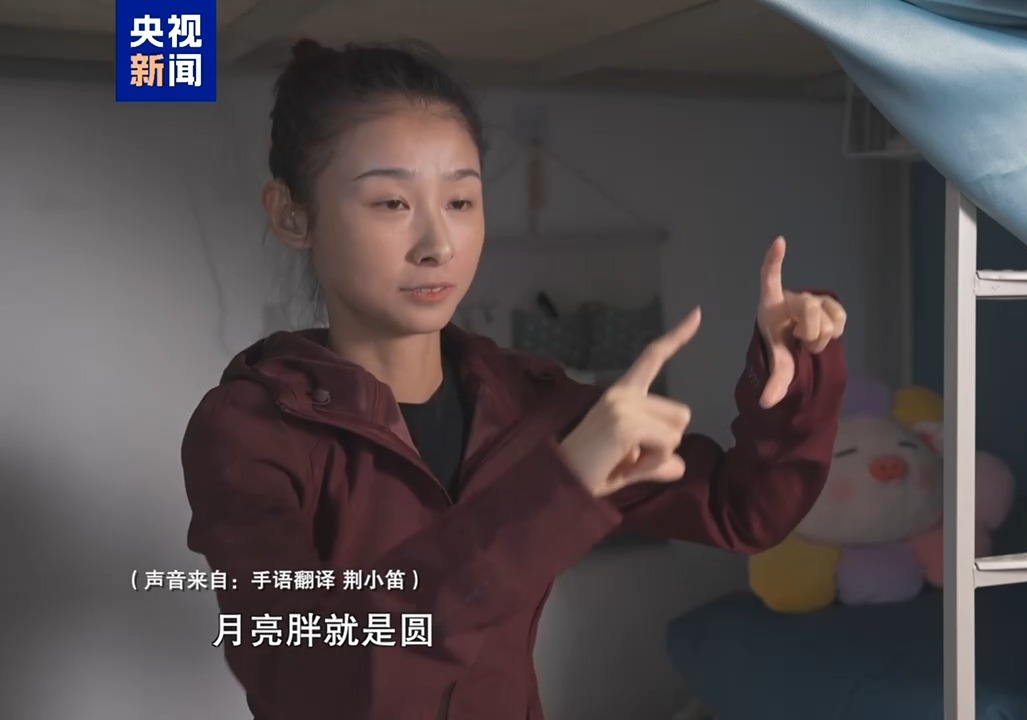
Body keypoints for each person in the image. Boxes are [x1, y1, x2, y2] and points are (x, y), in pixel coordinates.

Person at [181, 38, 848, 720]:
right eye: (391, 203)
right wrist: (558, 492)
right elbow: (311, 681)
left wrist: (795, 370)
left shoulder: (526, 402)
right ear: (292, 215)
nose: (437, 244)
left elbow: (744, 509)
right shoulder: (252, 430)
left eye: (461, 201)